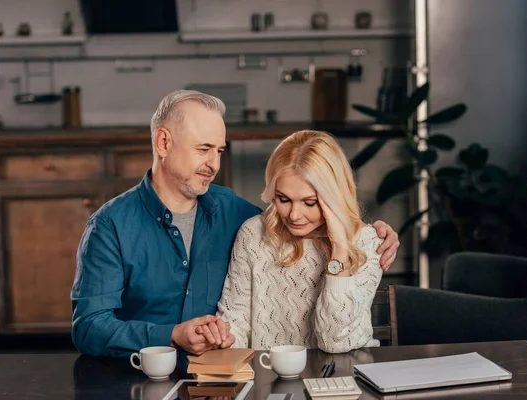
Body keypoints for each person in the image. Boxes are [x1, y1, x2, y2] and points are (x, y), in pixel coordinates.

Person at [71, 90, 400, 358]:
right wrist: (170, 335)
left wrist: (366, 232)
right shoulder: (110, 225)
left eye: (219, 151)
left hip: (225, 373)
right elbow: (89, 327)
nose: (213, 164)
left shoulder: (236, 213)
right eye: (203, 149)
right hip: (143, 374)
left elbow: (295, 219)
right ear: (163, 143)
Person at [217, 130, 385, 353]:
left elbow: (335, 343)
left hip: (345, 373)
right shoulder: (253, 233)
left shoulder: (365, 242)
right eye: (283, 199)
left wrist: (339, 249)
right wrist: (222, 340)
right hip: (269, 376)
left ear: (334, 196)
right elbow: (235, 322)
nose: (294, 215)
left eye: (310, 202)